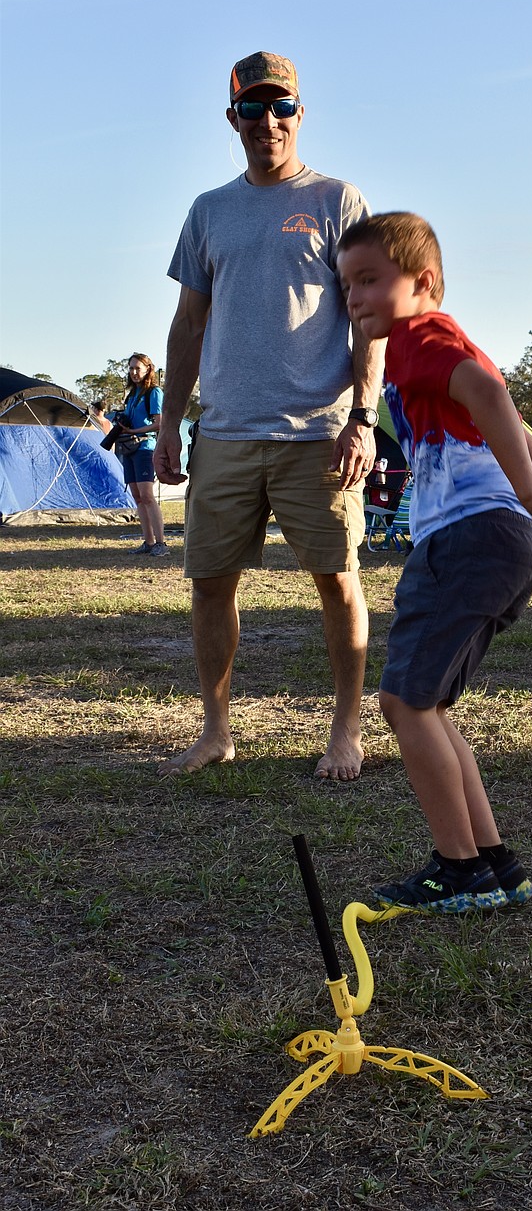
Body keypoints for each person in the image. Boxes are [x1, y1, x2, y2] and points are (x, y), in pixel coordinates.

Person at [336, 212, 532, 914]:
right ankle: (492, 862)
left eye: (369, 281)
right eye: (346, 285)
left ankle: (458, 871)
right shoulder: (430, 340)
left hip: (467, 538)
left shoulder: (420, 336)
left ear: (425, 283)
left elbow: (488, 393)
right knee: (432, 706)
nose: (354, 297)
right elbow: (527, 436)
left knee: (404, 703)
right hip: (493, 539)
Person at [153, 51, 384, 781]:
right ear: (233, 119)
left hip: (318, 435)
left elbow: (369, 321)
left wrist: (364, 418)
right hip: (222, 433)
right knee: (210, 583)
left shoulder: (337, 201)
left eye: (281, 107)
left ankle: (346, 729)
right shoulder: (208, 211)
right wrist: (168, 424)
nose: (268, 121)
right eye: (252, 109)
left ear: (300, 114)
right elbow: (188, 325)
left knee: (336, 578)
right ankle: (216, 729)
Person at [114, 353, 168, 557]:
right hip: (128, 448)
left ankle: (161, 543)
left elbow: (159, 423)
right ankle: (148, 541)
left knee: (147, 496)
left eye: (138, 368)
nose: (134, 372)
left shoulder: (153, 392)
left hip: (145, 447)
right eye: (131, 368)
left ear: (148, 369)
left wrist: (134, 432)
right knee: (137, 497)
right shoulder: (132, 394)